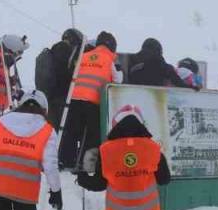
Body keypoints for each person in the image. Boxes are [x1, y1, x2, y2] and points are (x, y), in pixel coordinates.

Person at [57, 31, 119, 170]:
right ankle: (85, 163)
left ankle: (65, 160)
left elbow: (73, 74)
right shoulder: (109, 61)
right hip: (93, 101)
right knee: (92, 134)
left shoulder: (83, 56)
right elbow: (117, 81)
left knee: (71, 131)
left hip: (74, 99)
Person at [37, 29, 83, 128]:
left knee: (51, 130)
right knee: (63, 133)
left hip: (49, 98)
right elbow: (64, 73)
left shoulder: (52, 51)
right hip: (61, 99)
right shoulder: (65, 50)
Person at [126, 38, 193, 89]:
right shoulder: (163, 66)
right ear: (159, 52)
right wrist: (191, 88)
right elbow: (178, 83)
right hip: (157, 101)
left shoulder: (133, 63)